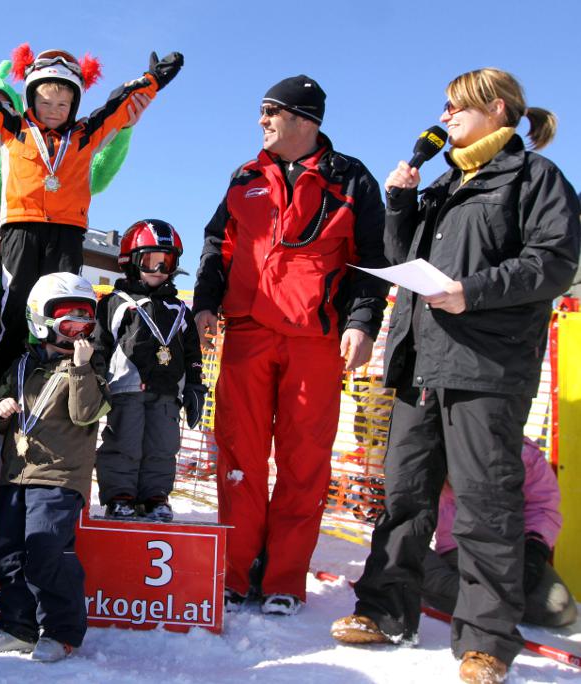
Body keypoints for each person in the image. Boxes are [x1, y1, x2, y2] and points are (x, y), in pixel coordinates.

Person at [331, 68, 581, 684]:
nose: (445, 116)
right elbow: (399, 259)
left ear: (495, 109)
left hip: (487, 368)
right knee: (405, 497)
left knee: (485, 506)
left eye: (455, 106)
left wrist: (473, 291)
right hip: (421, 363)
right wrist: (399, 200)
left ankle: (487, 642)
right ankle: (384, 610)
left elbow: (552, 262)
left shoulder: (534, 178)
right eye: (443, 106)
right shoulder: (444, 182)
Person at [192, 75, 388, 616]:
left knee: (304, 462)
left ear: (306, 120)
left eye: (270, 112)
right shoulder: (245, 176)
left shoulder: (352, 179)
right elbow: (217, 244)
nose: (262, 122)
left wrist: (364, 322)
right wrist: (205, 302)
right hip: (247, 336)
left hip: (316, 340)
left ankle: (283, 578)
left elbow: (373, 257)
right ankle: (233, 572)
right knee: (239, 458)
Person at [0, 20, 183, 387]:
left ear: (75, 103)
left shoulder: (85, 135)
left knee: (63, 307)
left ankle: (53, 384)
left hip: (67, 232)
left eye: (64, 103)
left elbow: (120, 106)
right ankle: (0, 387)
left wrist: (154, 79)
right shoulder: (12, 131)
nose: (54, 109)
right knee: (13, 309)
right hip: (20, 228)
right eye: (45, 102)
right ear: (30, 99)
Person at [0, 56, 143, 359]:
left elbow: (95, 176)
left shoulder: (47, 156)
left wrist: (122, 131)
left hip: (29, 276)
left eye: (6, 105)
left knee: (24, 353)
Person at [0, 272, 111, 662]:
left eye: (85, 322)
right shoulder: (22, 366)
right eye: (68, 322)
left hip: (58, 479)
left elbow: (84, 412)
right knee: (6, 555)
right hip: (17, 475)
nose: (77, 331)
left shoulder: (92, 370)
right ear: (42, 319)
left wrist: (81, 367)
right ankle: (19, 626)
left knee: (46, 553)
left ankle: (62, 630)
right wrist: (0, 409)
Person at [92, 219, 205, 521]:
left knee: (163, 446)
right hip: (127, 391)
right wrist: (96, 380)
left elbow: (193, 352)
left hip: (168, 393)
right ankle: (120, 495)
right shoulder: (117, 303)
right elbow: (100, 345)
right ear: (131, 262)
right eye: (150, 262)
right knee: (124, 443)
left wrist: (195, 385)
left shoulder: (179, 310)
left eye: (165, 263)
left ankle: (156, 496)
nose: (158, 271)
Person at [422, 438, 576, 629]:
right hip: (458, 548)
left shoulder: (523, 453)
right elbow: (409, 513)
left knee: (560, 609)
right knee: (416, 565)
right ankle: (452, 592)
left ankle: (480, 600)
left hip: (511, 548)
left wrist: (534, 551)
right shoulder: (439, 445)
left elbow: (542, 506)